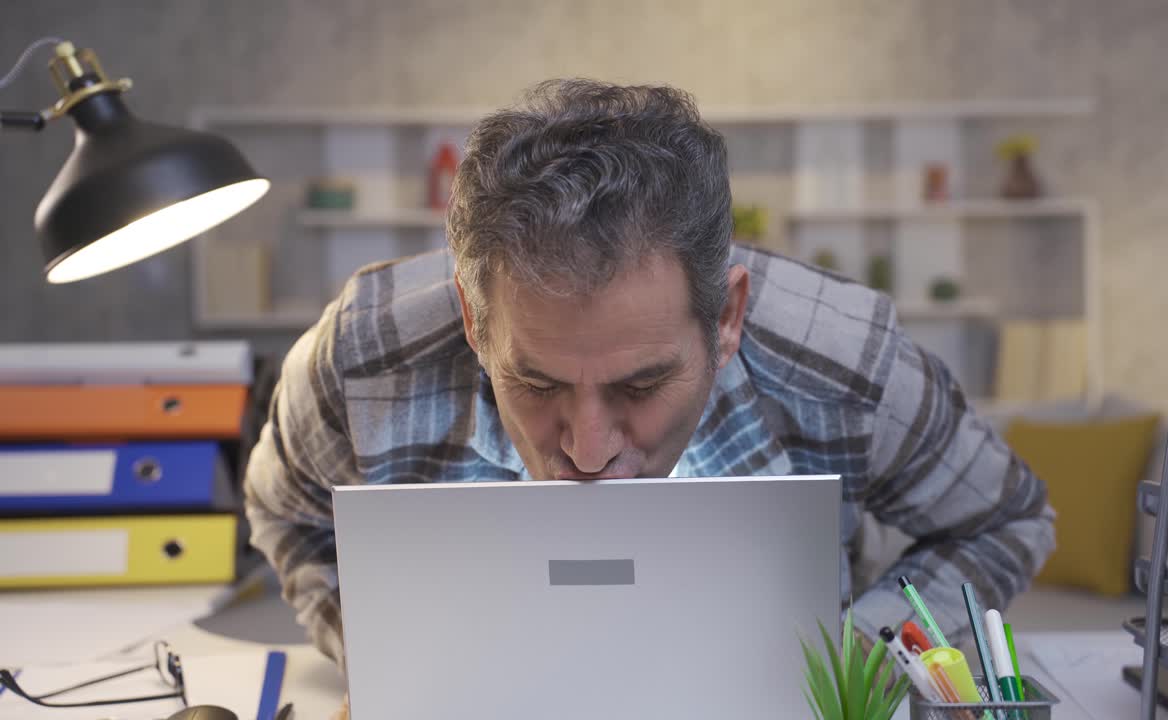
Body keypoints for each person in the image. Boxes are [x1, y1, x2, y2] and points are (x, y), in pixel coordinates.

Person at [244, 79, 1055, 714]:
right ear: (472, 317)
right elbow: (284, 513)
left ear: (728, 317)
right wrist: (390, 660)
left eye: (641, 384)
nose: (589, 453)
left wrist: (842, 674)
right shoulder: (359, 354)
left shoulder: (849, 362)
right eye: (535, 381)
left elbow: (1007, 519)